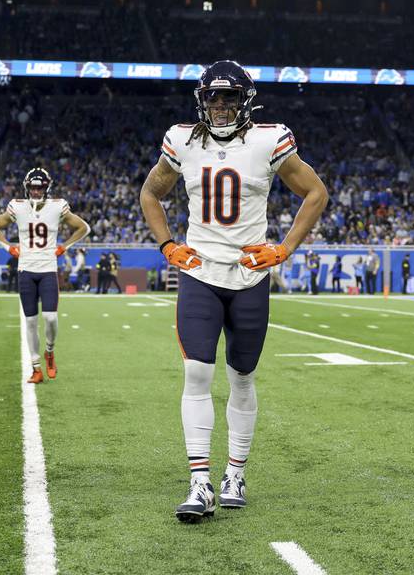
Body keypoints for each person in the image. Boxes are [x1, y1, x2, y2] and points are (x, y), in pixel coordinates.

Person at [138, 60, 327, 522]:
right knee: (197, 374)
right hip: (201, 272)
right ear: (201, 100)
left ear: (246, 100)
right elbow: (149, 193)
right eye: (213, 97)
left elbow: (316, 192)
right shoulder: (181, 139)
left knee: (241, 377)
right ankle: (199, 482)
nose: (220, 106)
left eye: (229, 97)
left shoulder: (269, 139)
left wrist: (283, 250)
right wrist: (167, 245)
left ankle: (235, 473)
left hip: (249, 276)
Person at [0, 167, 91, 384]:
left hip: (47, 270)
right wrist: (9, 248)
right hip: (26, 269)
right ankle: (36, 368)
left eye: (40, 188)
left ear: (46, 187)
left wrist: (65, 246)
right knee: (31, 321)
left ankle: (50, 352)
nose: (36, 192)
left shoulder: (57, 206)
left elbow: (83, 227)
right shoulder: (17, 207)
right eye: (33, 188)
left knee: (51, 318)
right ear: (27, 188)